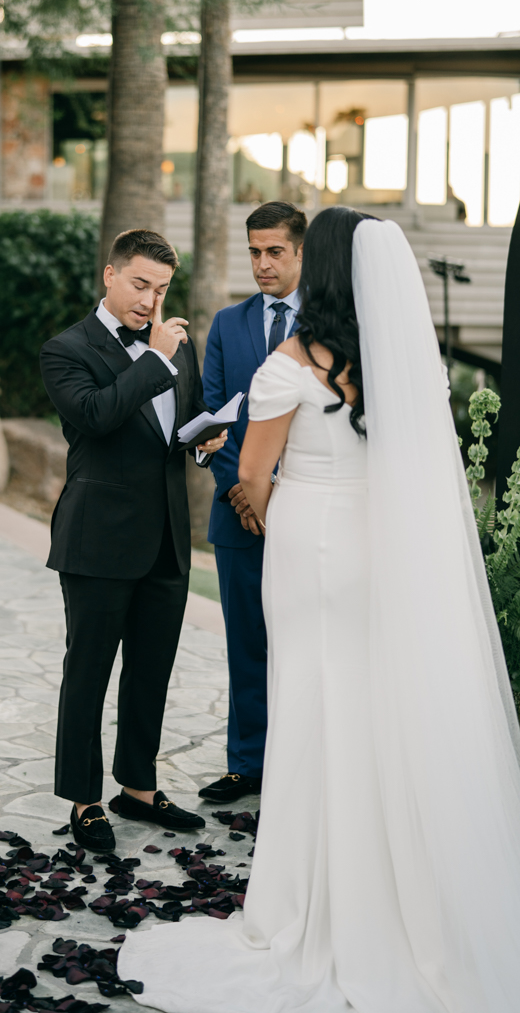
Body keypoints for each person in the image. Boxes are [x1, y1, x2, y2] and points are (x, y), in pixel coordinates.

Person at [119, 208, 520, 1012]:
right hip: (375, 553)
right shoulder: (403, 365)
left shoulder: (289, 363)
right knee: (372, 705)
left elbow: (254, 474)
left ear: (320, 267)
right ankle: (392, 886)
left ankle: (308, 900)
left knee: (308, 705)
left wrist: (256, 500)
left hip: (306, 549)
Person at [40, 228, 228, 853]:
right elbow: (95, 416)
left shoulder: (178, 346)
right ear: (110, 276)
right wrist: (152, 357)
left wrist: (205, 441)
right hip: (97, 539)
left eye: (163, 288)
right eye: (142, 285)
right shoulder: (66, 349)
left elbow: (178, 423)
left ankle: (138, 787)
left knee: (151, 671)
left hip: (167, 537)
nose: (152, 300)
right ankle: (83, 800)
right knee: (88, 671)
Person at [199, 202, 306, 805]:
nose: (262, 264)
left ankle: (302, 761)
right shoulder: (227, 323)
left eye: (274, 252)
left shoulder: (330, 322)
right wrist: (242, 490)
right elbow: (216, 414)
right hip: (236, 511)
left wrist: (276, 489)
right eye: (254, 252)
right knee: (246, 642)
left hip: (307, 509)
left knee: (304, 640)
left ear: (298, 253)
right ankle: (247, 765)